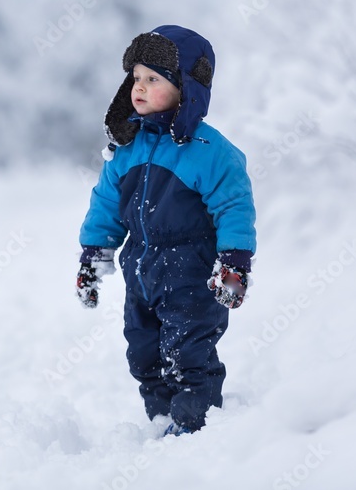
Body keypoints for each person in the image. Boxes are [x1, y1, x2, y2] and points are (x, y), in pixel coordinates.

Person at [76, 24, 257, 436]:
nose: (138, 87)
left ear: (186, 89)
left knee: (188, 353)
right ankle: (162, 420)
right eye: (136, 78)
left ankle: (197, 427)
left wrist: (234, 262)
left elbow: (233, 206)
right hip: (139, 269)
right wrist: (94, 257)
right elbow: (106, 204)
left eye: (153, 79)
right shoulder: (127, 148)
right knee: (143, 353)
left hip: (189, 272)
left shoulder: (211, 152)